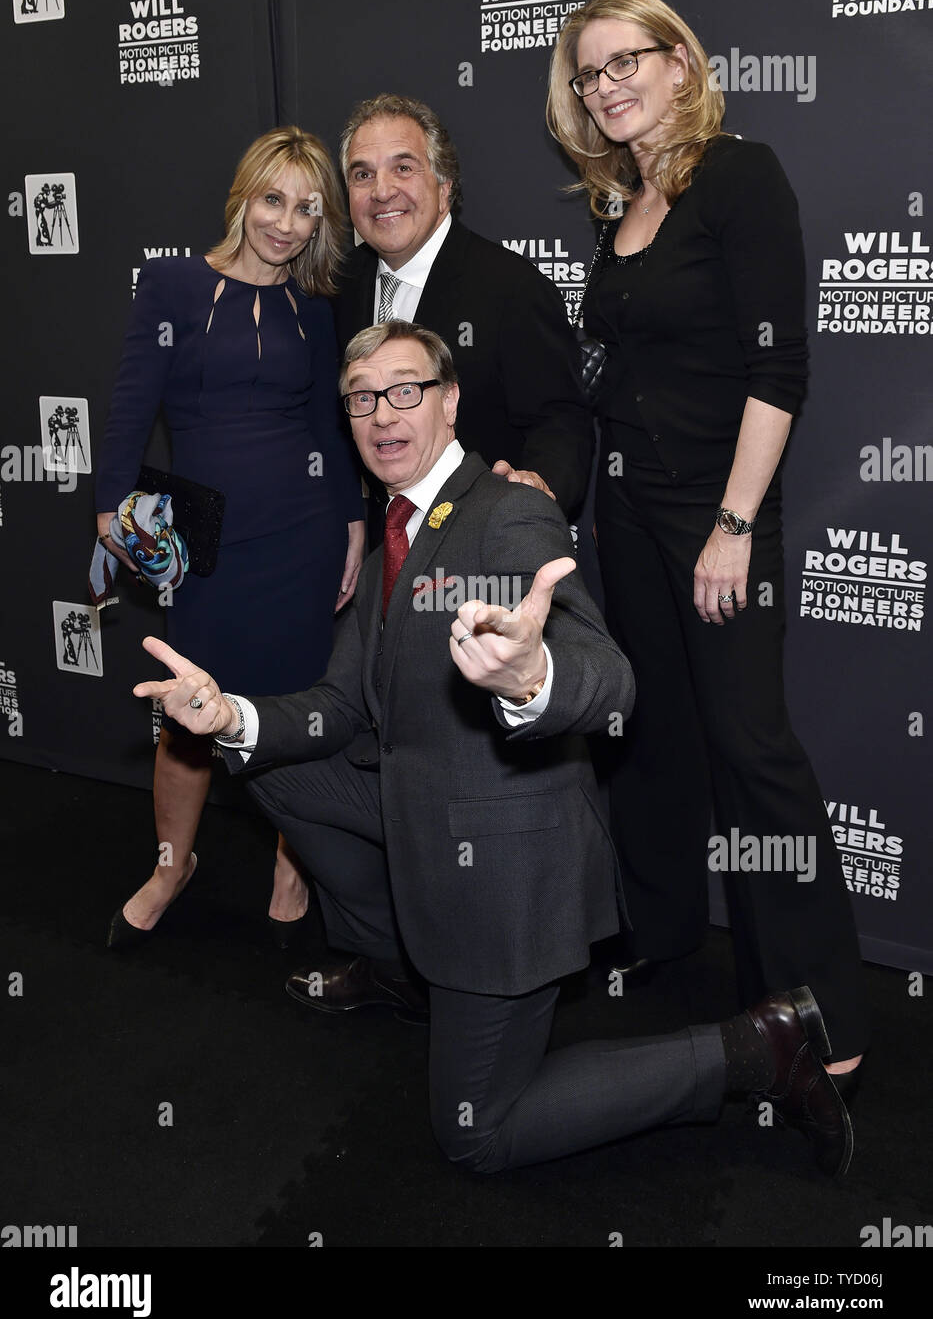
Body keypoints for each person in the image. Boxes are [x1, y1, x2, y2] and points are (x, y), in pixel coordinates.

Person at [131, 321, 853, 1178]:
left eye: (404, 390)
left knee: (476, 1133)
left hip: (506, 868)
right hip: (426, 811)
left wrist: (530, 675)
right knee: (272, 761)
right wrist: (229, 719)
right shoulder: (395, 522)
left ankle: (757, 1050)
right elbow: (333, 707)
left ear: (449, 402)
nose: (380, 413)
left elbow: (609, 677)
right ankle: (400, 960)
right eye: (361, 397)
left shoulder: (508, 512)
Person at [546, 0, 866, 1093]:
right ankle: (668, 937)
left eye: (626, 60)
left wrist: (733, 525)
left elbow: (777, 373)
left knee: (751, 749)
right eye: (589, 74)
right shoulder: (616, 207)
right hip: (627, 514)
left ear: (682, 63)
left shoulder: (740, 175)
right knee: (653, 736)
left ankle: (824, 1007)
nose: (608, 85)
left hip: (713, 513)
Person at [95, 126, 364, 949]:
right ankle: (174, 862)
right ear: (244, 196)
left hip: (304, 534)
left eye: (306, 210)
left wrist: (351, 520)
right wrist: (111, 511)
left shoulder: (313, 306)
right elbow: (133, 400)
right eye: (273, 200)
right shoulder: (174, 285)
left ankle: (295, 857)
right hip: (207, 543)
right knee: (188, 714)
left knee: (290, 707)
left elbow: (326, 417)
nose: (286, 224)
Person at [335, 93, 594, 530]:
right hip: (379, 555)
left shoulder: (511, 287)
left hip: (480, 552)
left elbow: (559, 421)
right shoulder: (338, 286)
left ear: (444, 186)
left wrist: (538, 492)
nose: (381, 191)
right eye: (363, 174)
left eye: (403, 168)